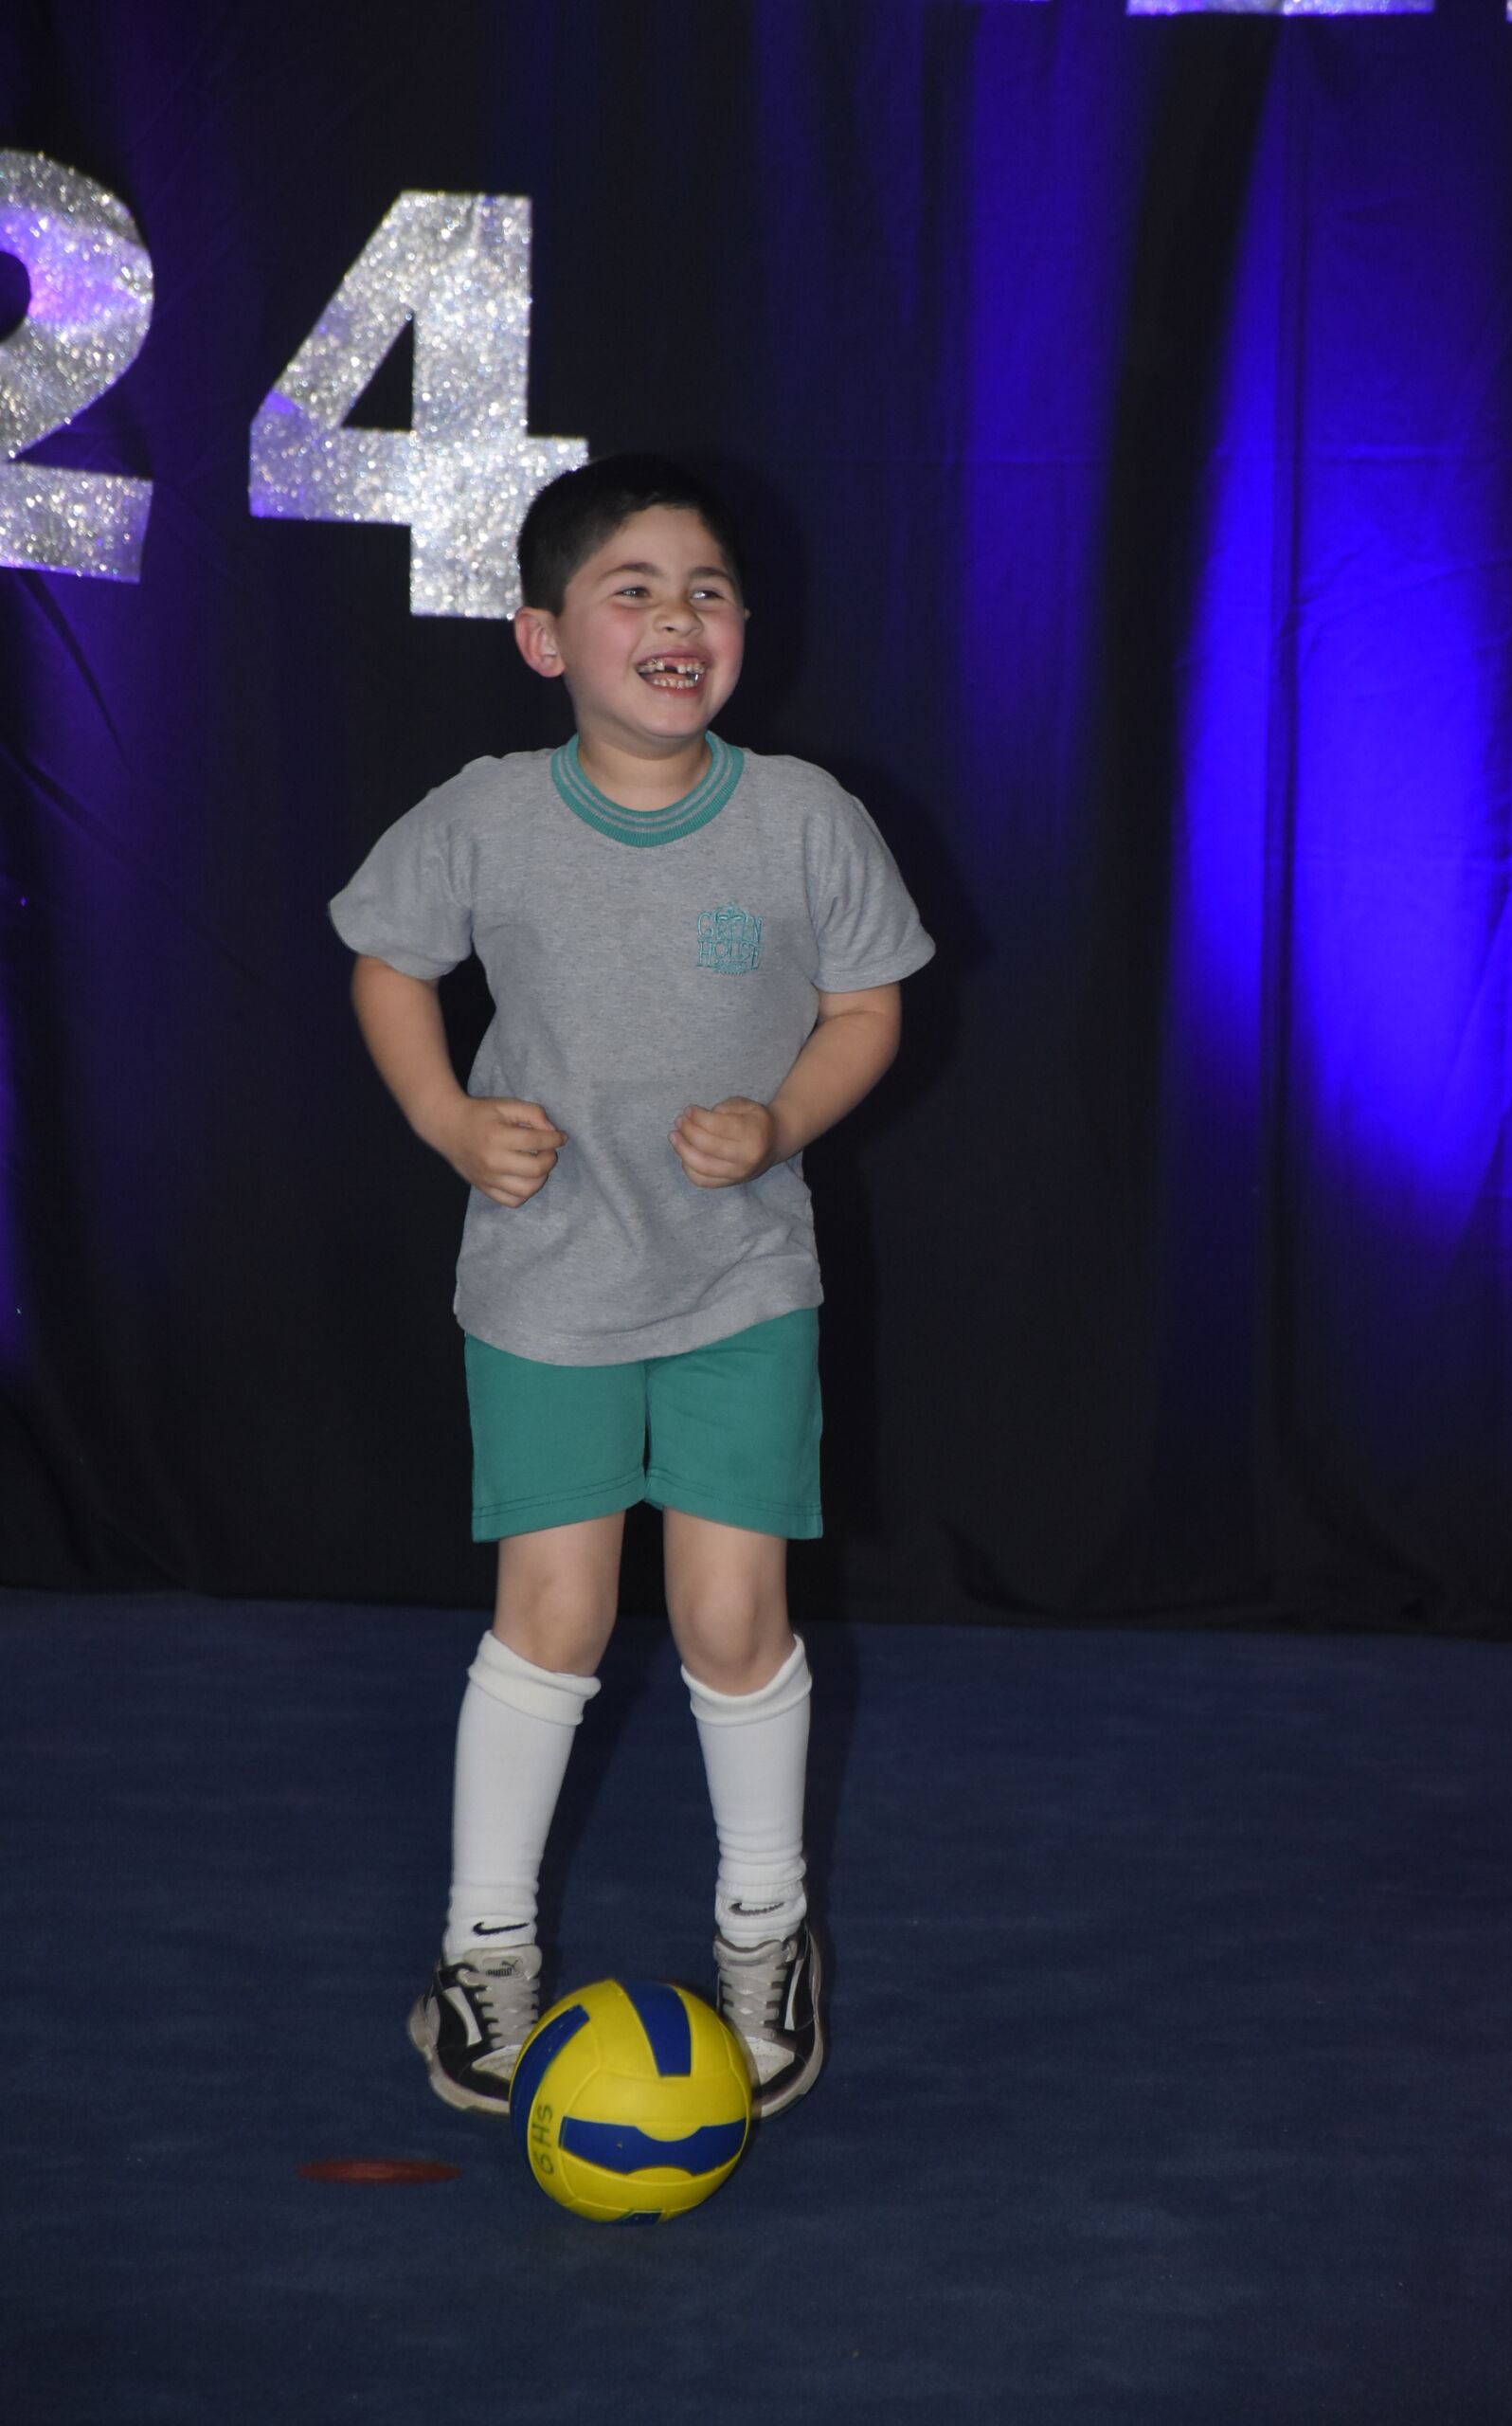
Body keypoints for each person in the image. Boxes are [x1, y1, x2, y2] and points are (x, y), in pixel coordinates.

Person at [329, 455, 934, 2122]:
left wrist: (784, 1121)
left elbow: (868, 1007)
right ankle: (486, 1952)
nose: (681, 617)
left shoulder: (806, 817)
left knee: (734, 1619)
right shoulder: (487, 813)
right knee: (557, 1616)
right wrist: (449, 1120)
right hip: (546, 1288)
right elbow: (387, 962)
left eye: (710, 591)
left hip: (744, 1281)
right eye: (635, 589)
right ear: (546, 640)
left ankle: (767, 1933)